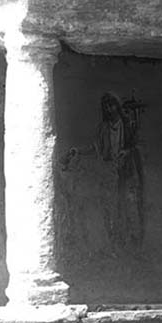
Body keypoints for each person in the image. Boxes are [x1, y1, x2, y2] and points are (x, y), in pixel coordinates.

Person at [61, 92, 145, 252]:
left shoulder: (127, 125)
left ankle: (134, 245)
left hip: (127, 171)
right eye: (106, 107)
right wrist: (78, 151)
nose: (110, 109)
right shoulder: (104, 128)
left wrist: (126, 153)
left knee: (130, 207)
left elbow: (135, 147)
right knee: (112, 208)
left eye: (112, 105)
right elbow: (96, 147)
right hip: (110, 172)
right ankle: (116, 245)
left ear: (117, 106)